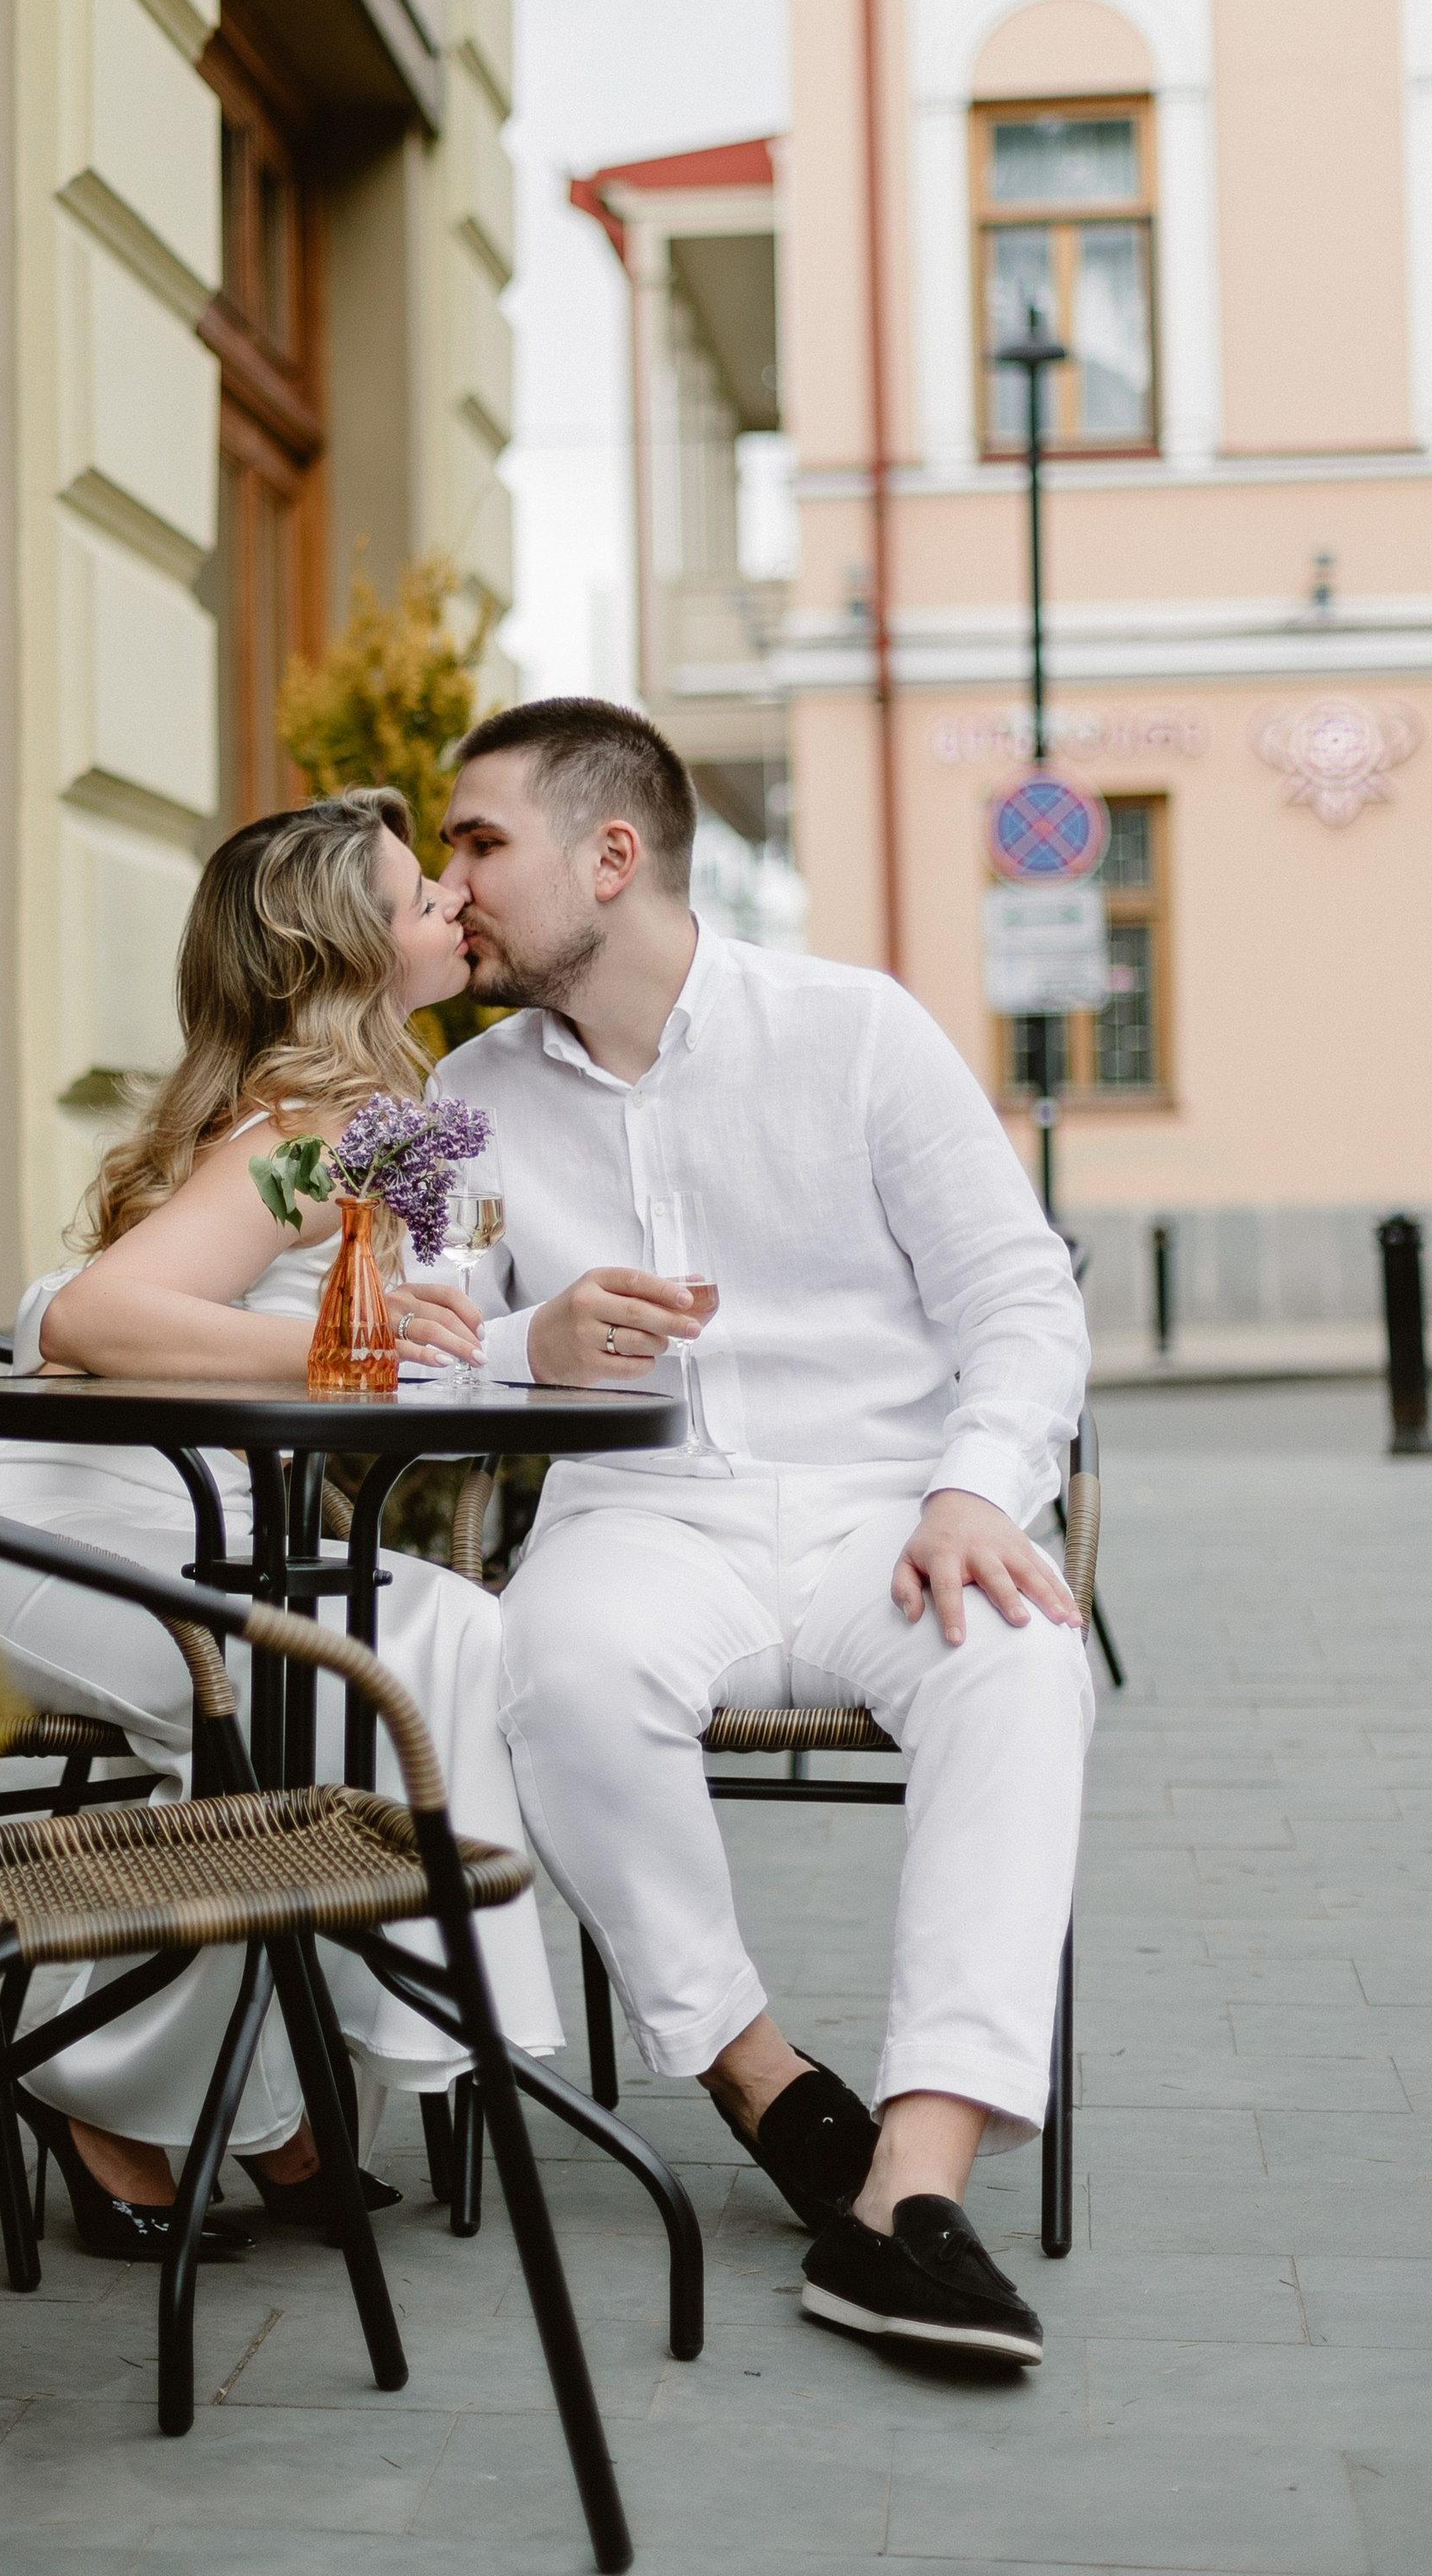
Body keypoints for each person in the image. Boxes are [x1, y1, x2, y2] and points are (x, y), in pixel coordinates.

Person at [429, 696, 1091, 2366]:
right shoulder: (470, 1095)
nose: (453, 888)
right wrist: (530, 1345)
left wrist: (972, 1487)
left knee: (1021, 1656)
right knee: (551, 1661)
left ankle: (908, 2193)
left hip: (888, 1506)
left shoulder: (853, 1032)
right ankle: (767, 2085)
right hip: (639, 1512)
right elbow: (409, 1336)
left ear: (610, 854)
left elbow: (1019, 1297)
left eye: (479, 843)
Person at [0, 787, 560, 2261]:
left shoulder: (362, 1130)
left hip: (177, 1532)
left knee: (430, 1629)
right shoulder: (310, 1138)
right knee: (286, 1709)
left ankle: (265, 2101)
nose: (451, 905)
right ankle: (118, 2097)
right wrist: (361, 1344)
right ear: (342, 951)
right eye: (415, 897)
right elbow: (92, 1316)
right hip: (32, 1539)